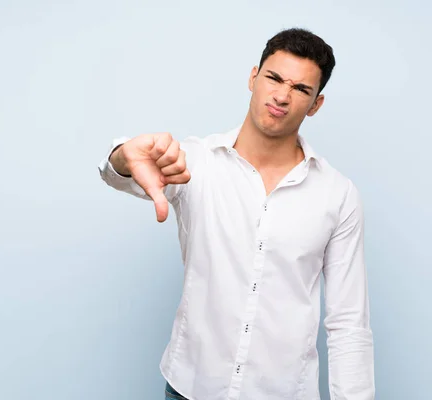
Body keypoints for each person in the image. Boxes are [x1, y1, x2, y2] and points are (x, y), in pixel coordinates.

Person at [98, 27, 374, 400]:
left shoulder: (337, 195)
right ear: (253, 77)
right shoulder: (195, 162)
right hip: (189, 387)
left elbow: (348, 323)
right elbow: (122, 175)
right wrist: (124, 156)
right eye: (274, 78)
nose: (281, 95)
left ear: (316, 104)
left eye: (300, 89)